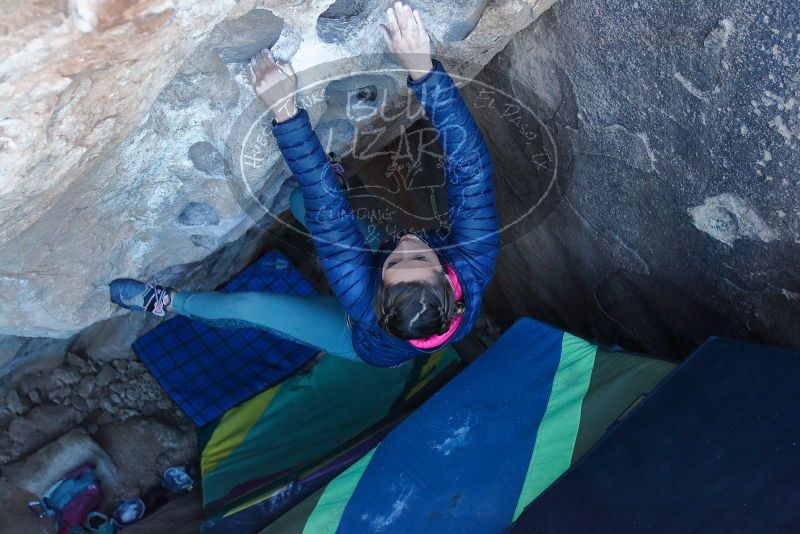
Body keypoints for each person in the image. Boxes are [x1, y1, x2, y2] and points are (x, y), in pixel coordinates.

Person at [109, 1, 499, 367]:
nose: (407, 244)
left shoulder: (361, 297)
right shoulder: (473, 261)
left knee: (248, 306)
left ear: (379, 290)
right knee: (300, 200)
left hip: (360, 341)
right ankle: (339, 186)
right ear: (449, 279)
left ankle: (169, 302)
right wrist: (423, 72)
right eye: (419, 258)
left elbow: (330, 216)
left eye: (395, 262)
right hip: (389, 279)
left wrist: (286, 112)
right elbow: (470, 170)